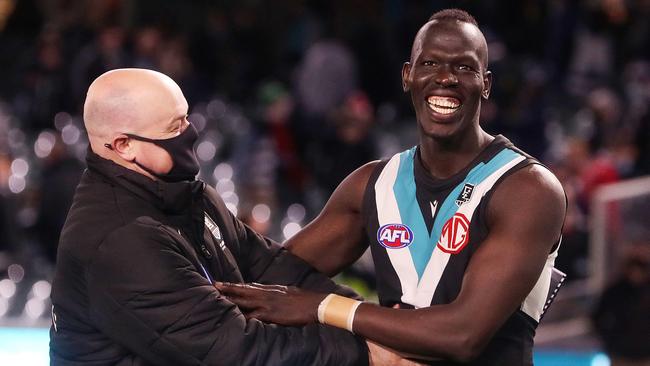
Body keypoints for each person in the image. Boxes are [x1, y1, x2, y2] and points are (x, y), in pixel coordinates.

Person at [216, 9, 567, 366]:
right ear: (408, 76)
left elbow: (463, 335)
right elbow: (273, 278)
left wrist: (323, 307)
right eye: (430, 63)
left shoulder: (527, 189)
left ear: (486, 84)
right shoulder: (371, 185)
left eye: (464, 67)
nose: (445, 78)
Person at [49, 68, 407, 365]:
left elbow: (275, 270)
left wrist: (366, 320)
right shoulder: (120, 240)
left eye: (186, 118)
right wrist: (365, 353)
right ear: (124, 145)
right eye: (174, 128)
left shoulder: (190, 196)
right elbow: (236, 353)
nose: (189, 132)